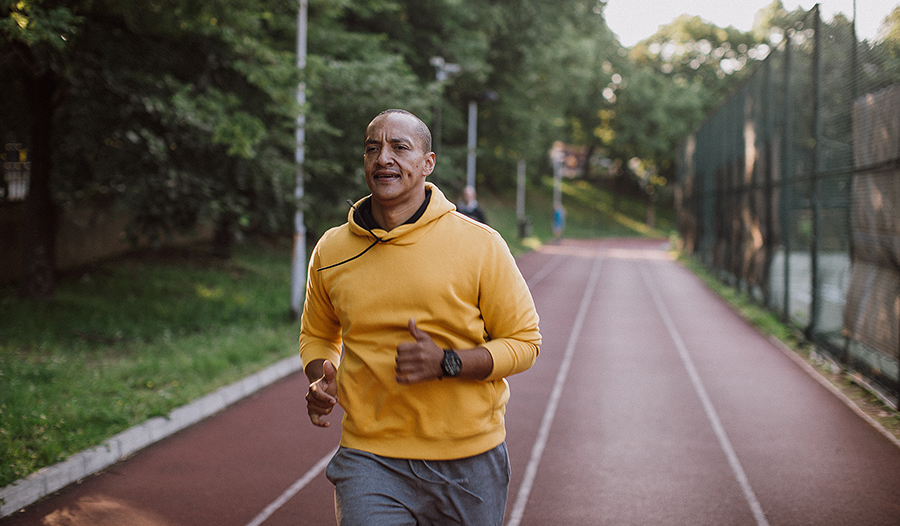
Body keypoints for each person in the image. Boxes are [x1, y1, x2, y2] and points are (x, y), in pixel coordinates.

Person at [300, 109, 541, 526]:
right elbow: (318, 334)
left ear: (427, 164)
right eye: (372, 148)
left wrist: (448, 362)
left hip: (468, 459)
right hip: (370, 456)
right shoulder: (331, 248)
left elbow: (524, 342)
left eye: (400, 147)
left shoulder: (480, 244)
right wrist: (322, 375)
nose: (383, 158)